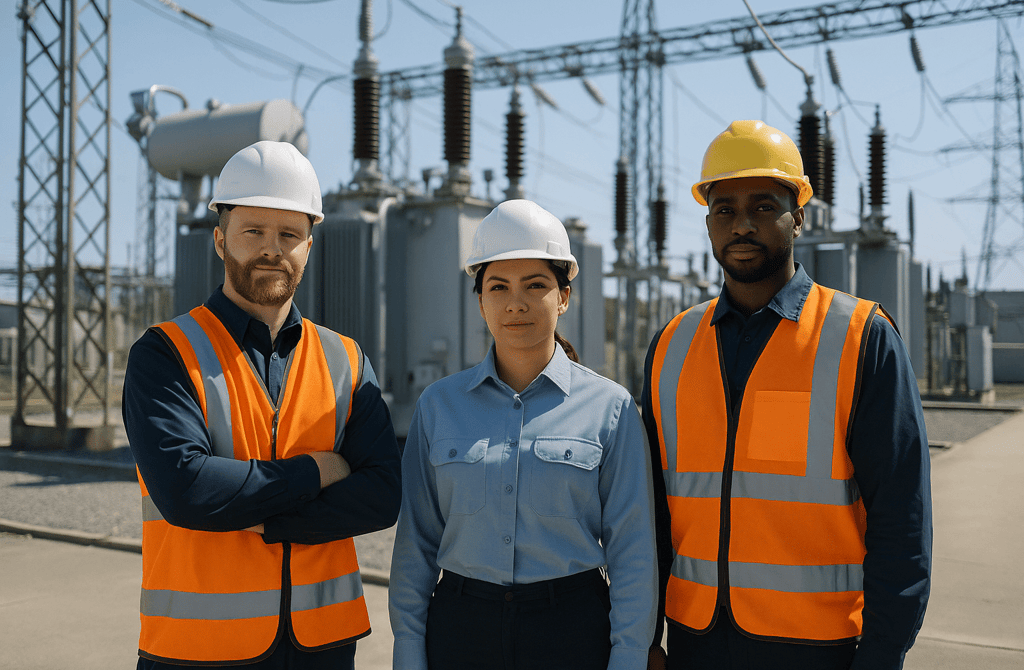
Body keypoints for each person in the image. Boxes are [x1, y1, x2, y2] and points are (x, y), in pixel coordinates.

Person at [641, 120, 932, 670]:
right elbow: (652, 514)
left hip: (820, 650)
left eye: (763, 206)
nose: (742, 224)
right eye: (724, 209)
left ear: (798, 215)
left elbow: (902, 519)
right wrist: (646, 637)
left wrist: (882, 654)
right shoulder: (671, 346)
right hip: (695, 643)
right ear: (707, 223)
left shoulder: (860, 337)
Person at [122, 140, 402, 669]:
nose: (272, 249)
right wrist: (318, 470)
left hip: (321, 646)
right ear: (220, 240)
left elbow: (382, 496)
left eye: (289, 234)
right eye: (253, 231)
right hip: (198, 651)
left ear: (309, 247)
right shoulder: (165, 354)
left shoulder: (344, 358)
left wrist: (264, 519)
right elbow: (188, 491)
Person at [389, 199, 659, 670]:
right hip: (461, 630)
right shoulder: (438, 407)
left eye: (536, 285)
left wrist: (629, 655)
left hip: (572, 632)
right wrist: (409, 651)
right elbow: (416, 546)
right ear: (480, 301)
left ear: (564, 296)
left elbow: (632, 551)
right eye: (498, 286)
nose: (516, 302)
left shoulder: (611, 408)